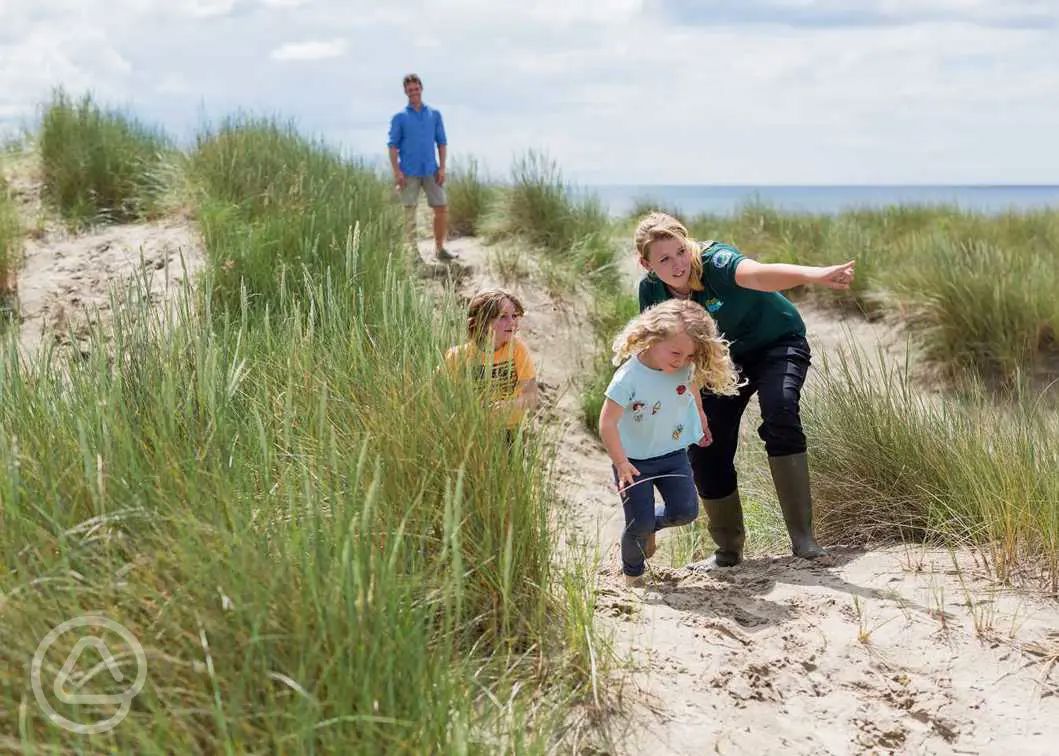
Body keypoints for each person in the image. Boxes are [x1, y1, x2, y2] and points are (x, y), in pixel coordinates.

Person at [634, 212, 855, 567]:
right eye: (664, 259)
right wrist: (696, 410)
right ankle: (728, 550)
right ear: (645, 263)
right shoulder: (651, 293)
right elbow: (668, 356)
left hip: (777, 343)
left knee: (780, 411)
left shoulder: (715, 262)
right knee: (705, 445)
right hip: (720, 360)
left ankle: (803, 540)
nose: (678, 264)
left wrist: (817, 275)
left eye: (681, 251)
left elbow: (759, 274)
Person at [599, 299, 742, 587]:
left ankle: (649, 525)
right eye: (676, 352)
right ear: (653, 339)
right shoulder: (629, 377)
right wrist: (621, 462)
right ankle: (633, 579)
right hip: (633, 463)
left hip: (673, 454)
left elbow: (692, 392)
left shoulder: (683, 368)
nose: (681, 361)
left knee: (685, 511)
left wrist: (700, 419)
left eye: (690, 356)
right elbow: (607, 423)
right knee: (637, 524)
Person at [444, 289, 539, 435]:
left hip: (510, 430)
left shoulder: (517, 349)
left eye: (514, 316)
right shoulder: (458, 356)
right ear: (481, 322)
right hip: (472, 430)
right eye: (503, 317)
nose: (512, 322)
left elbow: (531, 397)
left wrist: (507, 407)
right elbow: (438, 394)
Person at [388, 73, 456, 263]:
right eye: (410, 90)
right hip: (408, 172)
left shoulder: (434, 115)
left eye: (416, 88)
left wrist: (442, 168)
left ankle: (440, 248)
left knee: (441, 207)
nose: (414, 92)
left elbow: (441, 143)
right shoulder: (399, 118)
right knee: (409, 210)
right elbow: (392, 146)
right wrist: (397, 172)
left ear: (421, 88)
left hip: (430, 170)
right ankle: (413, 253)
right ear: (405, 92)